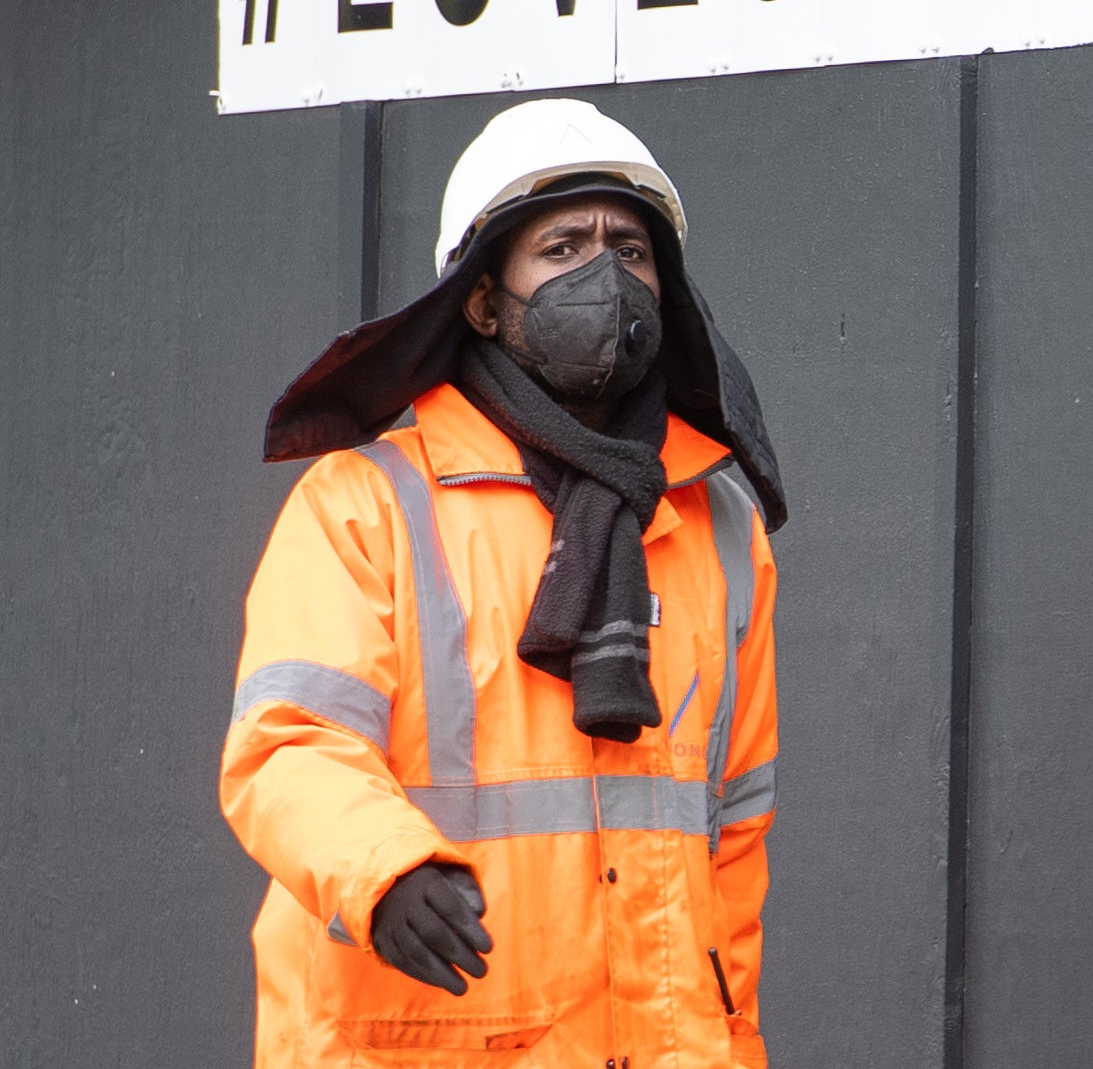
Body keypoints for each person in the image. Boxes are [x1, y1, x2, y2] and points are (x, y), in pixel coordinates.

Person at [220, 99, 788, 1069]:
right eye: (561, 247)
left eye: (632, 249)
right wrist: (384, 870)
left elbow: (729, 843)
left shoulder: (720, 526)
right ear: (482, 301)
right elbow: (286, 749)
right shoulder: (366, 505)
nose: (606, 274)